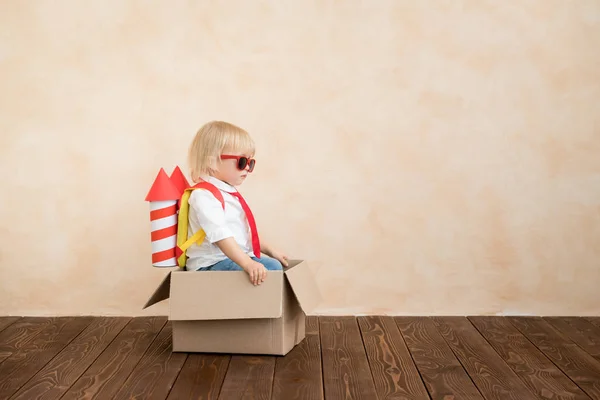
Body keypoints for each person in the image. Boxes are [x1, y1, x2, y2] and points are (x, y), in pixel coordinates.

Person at [184, 120, 288, 286]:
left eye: (250, 162)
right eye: (242, 162)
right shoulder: (204, 195)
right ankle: (256, 310)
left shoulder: (228, 193)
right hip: (211, 264)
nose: (247, 168)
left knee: (271, 265)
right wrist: (247, 263)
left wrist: (268, 249)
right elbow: (221, 235)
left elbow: (242, 233)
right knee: (271, 268)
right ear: (212, 162)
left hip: (228, 258)